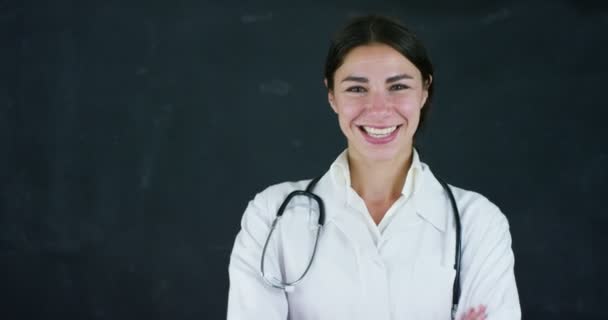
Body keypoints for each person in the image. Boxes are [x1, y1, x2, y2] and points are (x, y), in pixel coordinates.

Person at [227, 14, 520, 320]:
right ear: (332, 96)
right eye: (356, 89)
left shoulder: (477, 222)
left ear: (424, 91)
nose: (379, 109)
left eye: (398, 87)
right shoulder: (272, 215)